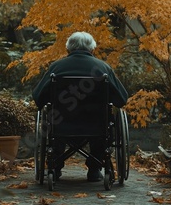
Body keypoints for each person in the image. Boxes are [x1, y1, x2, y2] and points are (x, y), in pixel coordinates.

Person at [32, 31, 128, 182]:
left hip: (61, 125)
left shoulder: (56, 68)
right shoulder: (102, 68)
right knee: (104, 119)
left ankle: (54, 167)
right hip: (96, 126)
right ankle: (95, 169)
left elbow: (38, 98)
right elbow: (121, 99)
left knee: (54, 118)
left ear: (68, 49)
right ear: (92, 49)